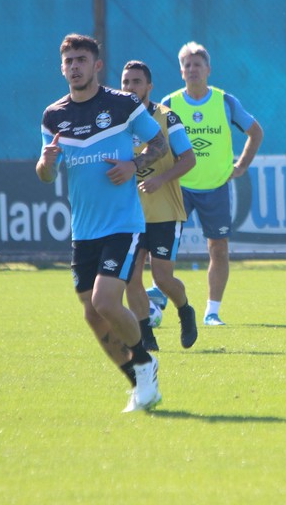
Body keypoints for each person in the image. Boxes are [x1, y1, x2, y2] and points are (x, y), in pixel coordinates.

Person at [36, 34, 169, 413]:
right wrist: (46, 164)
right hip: (84, 231)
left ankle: (145, 362)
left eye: (81, 59)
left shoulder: (123, 104)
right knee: (93, 316)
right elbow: (46, 175)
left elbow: (160, 145)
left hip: (123, 224)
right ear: (62, 68)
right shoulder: (53, 116)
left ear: (96, 65)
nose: (74, 66)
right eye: (69, 61)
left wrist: (134, 165)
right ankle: (140, 383)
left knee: (105, 300)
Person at [163, 42, 264, 326]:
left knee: (218, 249)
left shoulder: (224, 101)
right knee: (162, 247)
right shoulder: (170, 104)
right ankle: (159, 299)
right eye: (187, 65)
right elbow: (155, 143)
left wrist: (241, 165)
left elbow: (255, 133)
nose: (192, 69)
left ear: (208, 69)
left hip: (215, 187)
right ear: (181, 71)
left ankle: (212, 312)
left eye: (198, 64)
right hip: (178, 187)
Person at [120, 61, 199, 353]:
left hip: (165, 212)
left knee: (163, 278)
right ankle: (146, 336)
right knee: (130, 278)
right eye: (125, 82)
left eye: (136, 82)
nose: (130, 87)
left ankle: (185, 310)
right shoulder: (116, 122)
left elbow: (189, 159)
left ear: (149, 87)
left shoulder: (167, 118)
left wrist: (160, 180)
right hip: (129, 215)